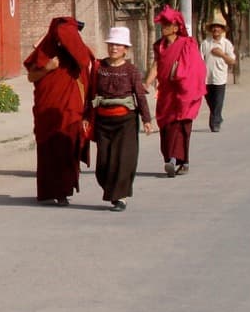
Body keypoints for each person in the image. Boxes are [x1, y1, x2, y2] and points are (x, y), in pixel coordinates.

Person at [23, 16, 96, 206]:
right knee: (48, 149)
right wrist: (47, 68)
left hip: (71, 111)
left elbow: (88, 76)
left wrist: (87, 112)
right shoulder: (46, 50)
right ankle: (48, 190)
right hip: (47, 110)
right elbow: (31, 76)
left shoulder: (80, 53)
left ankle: (63, 191)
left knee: (67, 147)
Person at [87, 27, 153, 211]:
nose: (114, 48)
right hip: (103, 121)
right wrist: (86, 116)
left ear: (125, 49)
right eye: (111, 44)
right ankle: (112, 191)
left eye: (118, 45)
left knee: (123, 161)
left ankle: (121, 197)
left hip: (126, 121)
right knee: (103, 164)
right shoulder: (99, 67)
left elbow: (140, 95)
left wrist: (147, 120)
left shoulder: (131, 70)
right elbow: (90, 93)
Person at [145, 6, 206, 177]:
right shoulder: (159, 46)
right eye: (162, 24)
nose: (163, 28)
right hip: (166, 93)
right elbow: (157, 65)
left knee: (180, 126)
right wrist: (146, 83)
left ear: (176, 27)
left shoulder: (187, 44)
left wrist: (183, 82)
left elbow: (195, 68)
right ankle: (174, 159)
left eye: (167, 24)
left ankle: (175, 160)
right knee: (166, 126)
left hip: (183, 92)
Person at [199, 10, 236, 133]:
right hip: (206, 79)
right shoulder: (205, 43)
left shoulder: (226, 44)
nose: (216, 29)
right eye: (214, 27)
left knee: (218, 102)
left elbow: (232, 61)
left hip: (220, 79)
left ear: (222, 29)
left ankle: (214, 124)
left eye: (218, 27)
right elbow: (200, 60)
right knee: (211, 103)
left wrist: (221, 54)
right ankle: (218, 117)